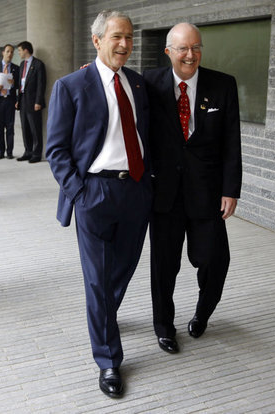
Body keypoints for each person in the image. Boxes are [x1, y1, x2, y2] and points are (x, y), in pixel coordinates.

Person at [46, 10, 151, 398]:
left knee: (121, 270)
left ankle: (104, 315)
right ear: (97, 40)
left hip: (136, 191)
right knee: (97, 277)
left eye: (129, 38)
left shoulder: (138, 84)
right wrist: (80, 194)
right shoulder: (71, 86)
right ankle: (108, 359)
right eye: (117, 37)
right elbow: (55, 150)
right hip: (95, 192)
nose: (124, 44)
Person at [143, 23, 242, 354]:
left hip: (208, 192)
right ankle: (163, 326)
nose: (190, 55)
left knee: (214, 260)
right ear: (168, 51)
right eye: (183, 48)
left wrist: (231, 189)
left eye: (196, 47)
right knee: (163, 266)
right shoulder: (148, 83)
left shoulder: (223, 85)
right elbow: (115, 89)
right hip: (165, 194)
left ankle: (202, 314)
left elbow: (232, 143)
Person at [15, 41, 46, 163]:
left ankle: (37, 154)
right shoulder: (22, 64)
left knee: (35, 129)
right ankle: (27, 152)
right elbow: (20, 83)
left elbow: (41, 84)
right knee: (25, 128)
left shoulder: (38, 64)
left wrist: (38, 101)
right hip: (23, 100)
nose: (19, 53)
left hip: (33, 102)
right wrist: (18, 100)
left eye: (19, 50)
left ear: (26, 50)